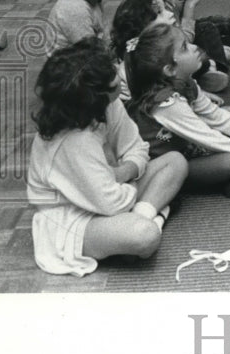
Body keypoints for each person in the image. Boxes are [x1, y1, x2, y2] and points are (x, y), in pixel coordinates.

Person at [27, 38, 188, 276]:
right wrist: (128, 182)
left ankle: (146, 217)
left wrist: (125, 171)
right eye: (115, 80)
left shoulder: (107, 103)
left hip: (113, 188)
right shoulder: (73, 141)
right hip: (72, 217)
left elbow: (138, 148)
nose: (121, 79)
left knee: (176, 162)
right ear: (93, 95)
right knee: (145, 235)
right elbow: (112, 204)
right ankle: (153, 216)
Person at [124, 22, 230, 200]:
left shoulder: (186, 82)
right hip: (171, 163)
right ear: (170, 69)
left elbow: (215, 115)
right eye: (185, 48)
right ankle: (216, 182)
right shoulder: (166, 104)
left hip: (187, 143)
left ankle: (224, 180)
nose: (195, 48)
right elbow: (204, 135)